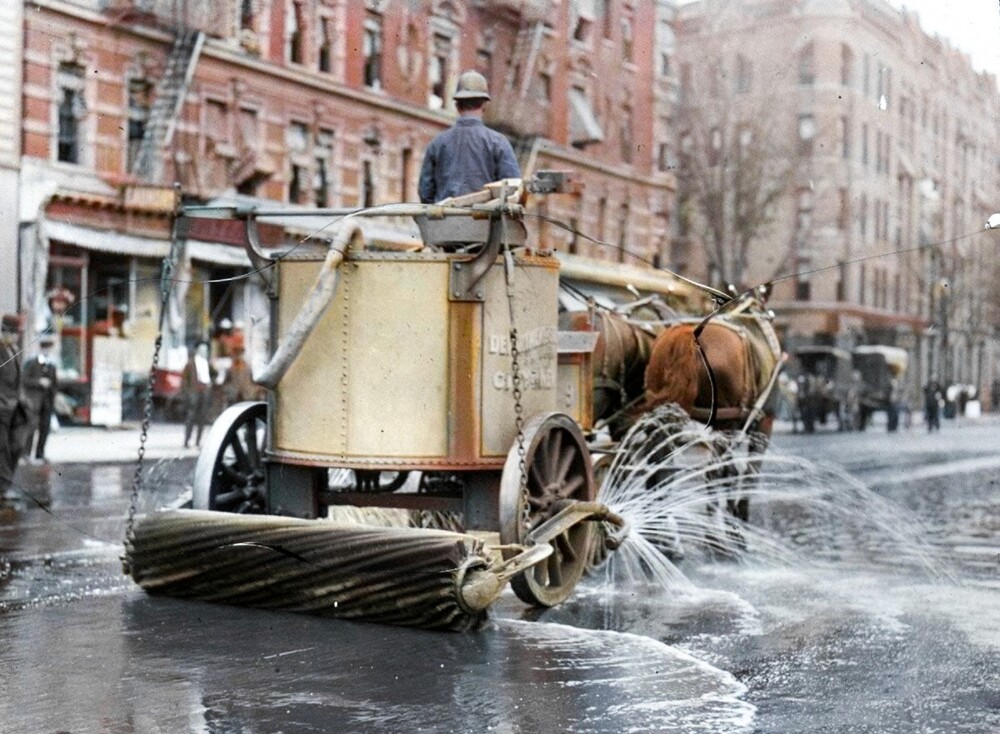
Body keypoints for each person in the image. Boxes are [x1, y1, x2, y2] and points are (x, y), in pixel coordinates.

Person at [418, 70, 521, 204]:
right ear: (484, 104)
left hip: (445, 221)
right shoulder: (498, 143)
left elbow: (425, 193)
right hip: (486, 222)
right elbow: (513, 189)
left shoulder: (437, 144)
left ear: (457, 105)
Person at [0, 315, 29, 488]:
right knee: (2, 448)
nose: (18, 336)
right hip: (2, 407)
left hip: (15, 408)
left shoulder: (14, 350)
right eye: (15, 333)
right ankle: (3, 487)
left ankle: (5, 482)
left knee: (17, 445)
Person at [22, 335, 58, 463]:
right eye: (44, 348)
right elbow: (25, 380)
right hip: (34, 401)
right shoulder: (31, 363)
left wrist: (53, 400)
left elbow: (54, 384)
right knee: (31, 428)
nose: (47, 351)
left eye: (49, 348)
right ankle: (26, 454)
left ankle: (40, 453)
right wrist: (39, 382)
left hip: (47, 402)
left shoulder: (52, 365)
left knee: (45, 429)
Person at [181, 341, 216, 448]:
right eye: (202, 350)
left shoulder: (207, 363)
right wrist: (188, 392)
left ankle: (198, 441)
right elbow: (185, 379)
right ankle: (187, 441)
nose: (204, 352)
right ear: (197, 351)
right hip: (194, 392)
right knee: (191, 417)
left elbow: (215, 373)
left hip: (204, 391)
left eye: (205, 350)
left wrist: (211, 383)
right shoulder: (190, 363)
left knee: (202, 417)